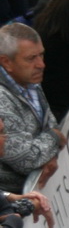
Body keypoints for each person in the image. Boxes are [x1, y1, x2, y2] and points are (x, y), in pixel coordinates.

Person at [0, 23, 63, 196]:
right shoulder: (1, 99)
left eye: (41, 55)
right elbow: (27, 159)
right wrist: (53, 138)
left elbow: (50, 123)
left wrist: (48, 152)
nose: (41, 64)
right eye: (31, 58)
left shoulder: (27, 77)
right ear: (6, 62)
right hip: (14, 202)